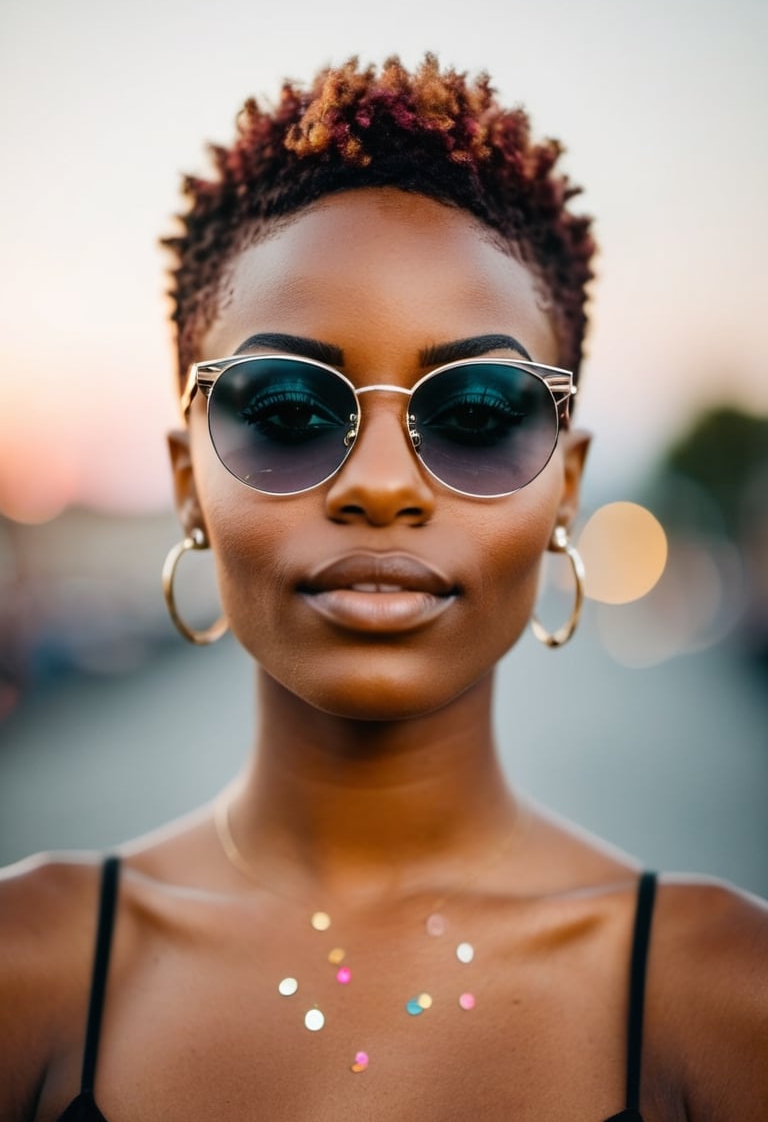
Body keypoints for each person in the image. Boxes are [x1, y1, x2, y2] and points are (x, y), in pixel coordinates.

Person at [1, 54, 765, 1122]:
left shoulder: (729, 1002)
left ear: (566, 490)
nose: (380, 485)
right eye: (286, 409)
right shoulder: (25, 974)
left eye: (479, 412)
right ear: (188, 484)